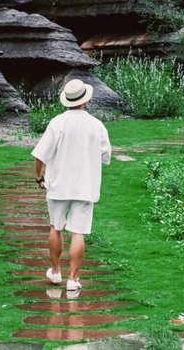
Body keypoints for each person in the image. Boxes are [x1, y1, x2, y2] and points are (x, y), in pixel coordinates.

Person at [31, 78, 111, 291]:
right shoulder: (96, 125)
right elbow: (105, 155)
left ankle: (56, 271)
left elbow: (40, 156)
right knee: (78, 232)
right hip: (85, 186)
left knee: (55, 227)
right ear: (86, 100)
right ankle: (73, 280)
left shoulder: (58, 122)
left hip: (58, 185)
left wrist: (40, 178)